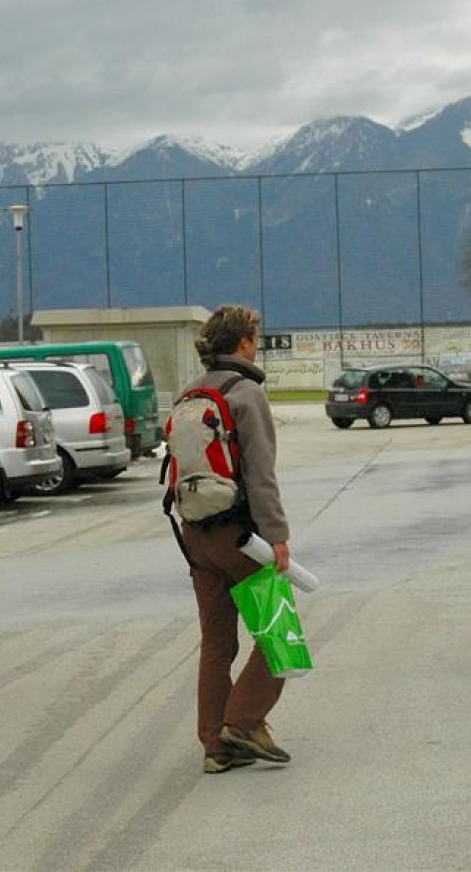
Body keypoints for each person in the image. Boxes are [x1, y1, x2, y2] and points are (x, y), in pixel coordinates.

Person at [176, 303, 296, 775]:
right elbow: (260, 473)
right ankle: (243, 722)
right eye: (255, 337)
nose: (257, 343)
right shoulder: (247, 393)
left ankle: (216, 747)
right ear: (243, 342)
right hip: (240, 535)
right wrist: (277, 536)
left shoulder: (190, 393)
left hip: (196, 535)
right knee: (280, 632)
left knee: (217, 644)